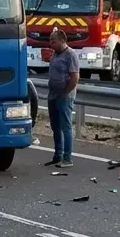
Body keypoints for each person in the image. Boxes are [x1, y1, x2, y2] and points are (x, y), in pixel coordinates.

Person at [45, 28, 79, 168]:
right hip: (53, 94)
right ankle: (57, 155)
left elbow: (75, 77)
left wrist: (66, 92)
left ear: (63, 40)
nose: (51, 44)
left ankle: (67, 157)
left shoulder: (70, 55)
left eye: (53, 41)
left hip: (64, 95)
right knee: (55, 126)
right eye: (50, 41)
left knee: (65, 126)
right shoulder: (55, 54)